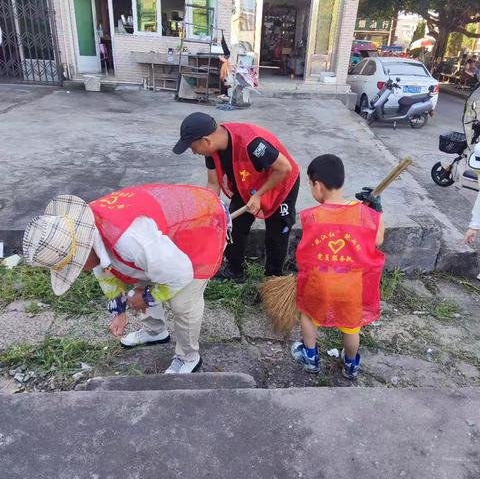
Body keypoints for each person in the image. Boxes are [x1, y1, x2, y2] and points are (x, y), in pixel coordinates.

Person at [22, 184, 229, 374]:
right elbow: (104, 269)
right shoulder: (82, 229)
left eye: (74, 267)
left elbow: (180, 274)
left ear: (83, 252)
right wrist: (118, 311)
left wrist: (147, 297)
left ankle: (188, 357)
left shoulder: (131, 240)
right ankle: (155, 331)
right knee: (144, 273)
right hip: (158, 241)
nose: (79, 272)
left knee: (183, 302)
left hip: (200, 223)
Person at [173, 112, 300, 281]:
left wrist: (259, 195)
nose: (194, 152)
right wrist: (208, 212)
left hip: (280, 183)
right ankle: (235, 270)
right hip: (247, 184)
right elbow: (213, 184)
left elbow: (284, 168)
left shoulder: (252, 144)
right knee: (234, 226)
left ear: (206, 140)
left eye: (193, 147)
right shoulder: (212, 151)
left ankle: (273, 279)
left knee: (276, 233)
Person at [291, 154, 385, 379]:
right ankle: (351, 364)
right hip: (351, 284)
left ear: (318, 185)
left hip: (319, 282)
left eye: (310, 185)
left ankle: (311, 357)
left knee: (307, 315)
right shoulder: (363, 213)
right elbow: (378, 240)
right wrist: (376, 212)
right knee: (352, 326)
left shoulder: (312, 216)